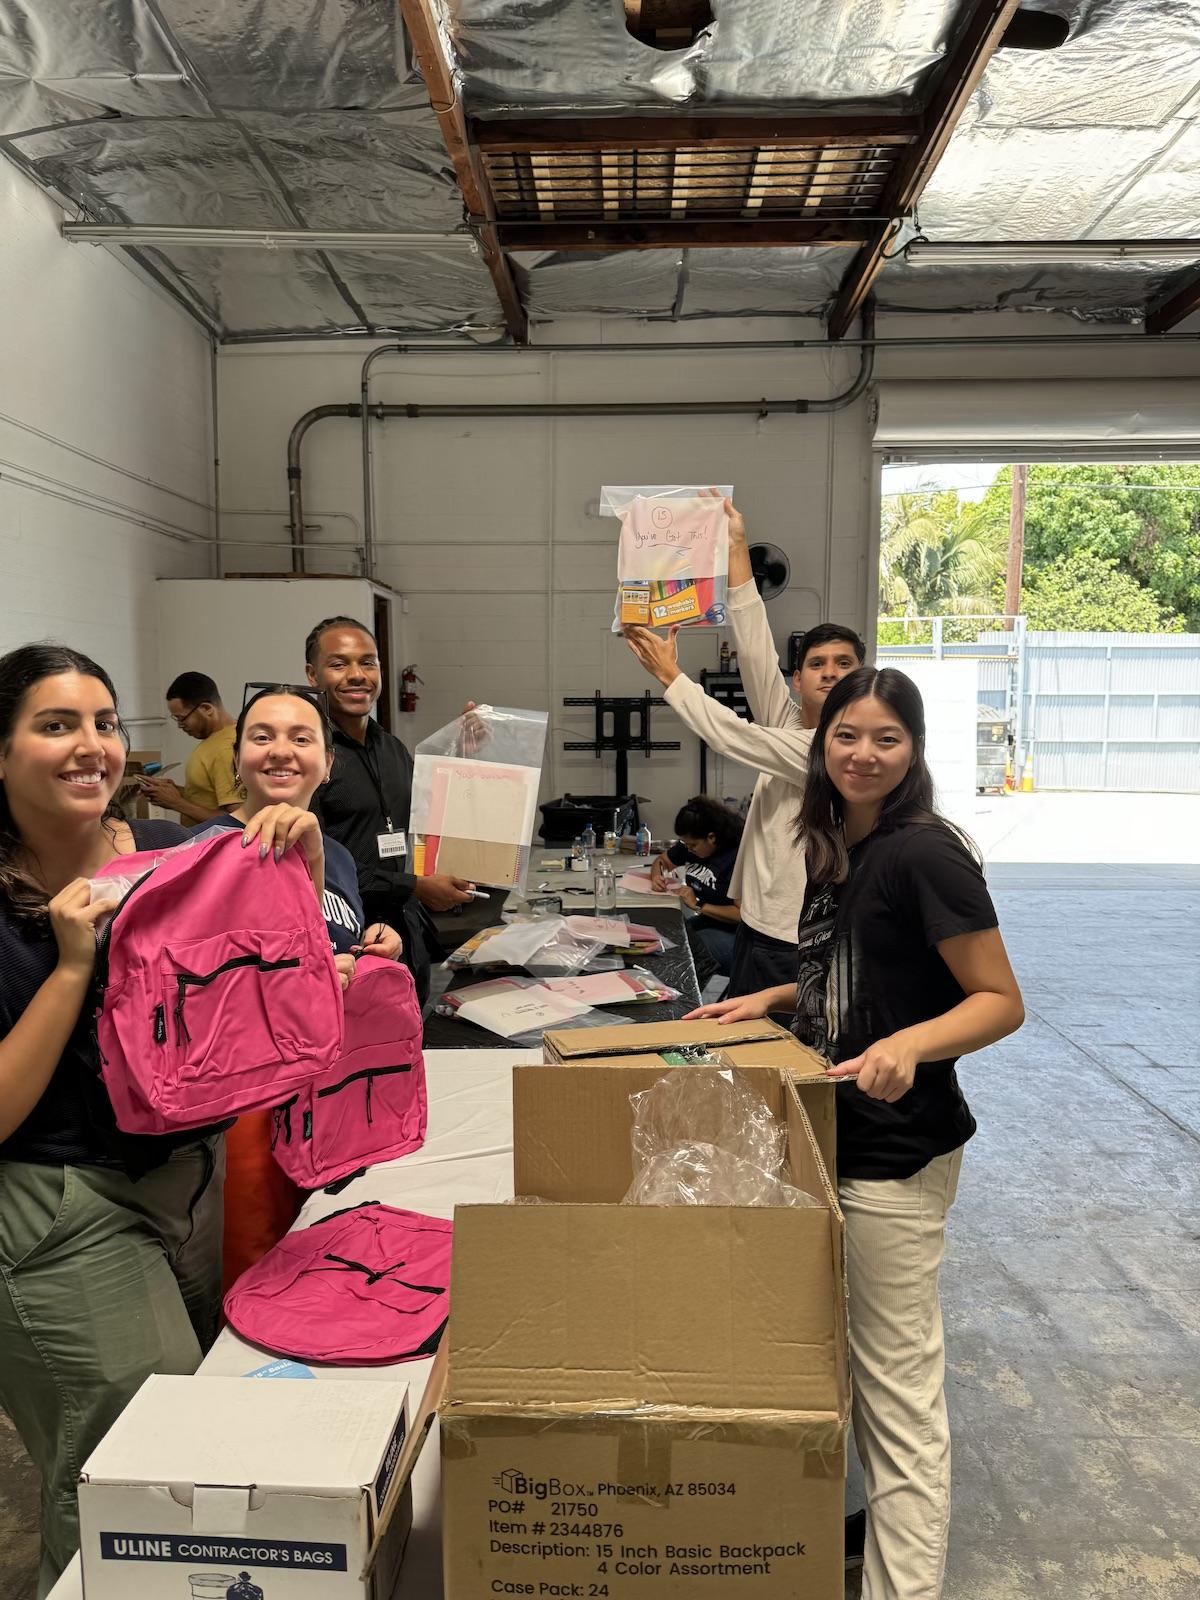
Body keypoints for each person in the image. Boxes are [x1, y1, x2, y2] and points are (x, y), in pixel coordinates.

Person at [688, 666, 1025, 1600]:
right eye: (846, 736)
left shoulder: (925, 853)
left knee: (897, 1396)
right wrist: (777, 993)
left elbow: (1000, 1001)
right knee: (841, 1363)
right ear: (820, 743)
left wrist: (911, 1045)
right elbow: (868, 975)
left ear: (913, 752)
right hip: (833, 1134)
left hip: (894, 1154)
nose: (863, 754)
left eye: (886, 738)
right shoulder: (842, 844)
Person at [0, 644, 227, 1596]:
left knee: (195, 1451)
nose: (91, 745)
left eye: (104, 723)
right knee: (124, 1481)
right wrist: (70, 963)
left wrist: (302, 874)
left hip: (183, 1183)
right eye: (56, 725)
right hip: (62, 1203)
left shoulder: (166, 861)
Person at [190, 686, 403, 1285]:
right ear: (237, 759)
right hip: (249, 1109)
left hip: (330, 1090)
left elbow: (332, 940)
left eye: (301, 738)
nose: (281, 751)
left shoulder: (329, 851)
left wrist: (369, 947)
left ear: (327, 764)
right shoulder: (204, 855)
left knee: (324, 1263)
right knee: (257, 1277)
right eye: (262, 737)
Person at [625, 493, 864, 1011]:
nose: (829, 672)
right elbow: (755, 648)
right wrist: (734, 548)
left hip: (795, 937)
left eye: (843, 664)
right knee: (746, 1046)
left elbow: (735, 734)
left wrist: (671, 675)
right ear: (797, 680)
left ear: (862, 679)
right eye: (818, 663)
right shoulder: (792, 723)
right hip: (758, 925)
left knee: (780, 1054)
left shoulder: (834, 751)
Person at [304, 616, 475, 1003]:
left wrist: (463, 758)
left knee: (413, 1038)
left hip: (407, 929)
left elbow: (425, 818)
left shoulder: (392, 748)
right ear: (312, 675)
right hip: (351, 940)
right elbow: (318, 867)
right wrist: (416, 886)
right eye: (338, 664)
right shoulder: (312, 758)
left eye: (368, 662)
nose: (357, 675)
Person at [650, 794, 743, 977]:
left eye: (693, 845)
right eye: (686, 845)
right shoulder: (689, 845)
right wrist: (656, 876)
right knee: (664, 936)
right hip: (709, 921)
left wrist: (699, 905)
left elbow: (742, 914)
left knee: (683, 951)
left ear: (711, 837)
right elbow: (662, 861)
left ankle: (687, 1002)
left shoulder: (735, 858)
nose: (689, 850)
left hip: (736, 934)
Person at [140, 670, 243, 824]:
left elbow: (238, 820)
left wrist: (177, 803)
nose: (180, 726)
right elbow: (210, 798)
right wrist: (176, 792)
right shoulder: (216, 741)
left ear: (206, 708)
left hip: (213, 846)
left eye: (182, 718)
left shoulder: (226, 748)